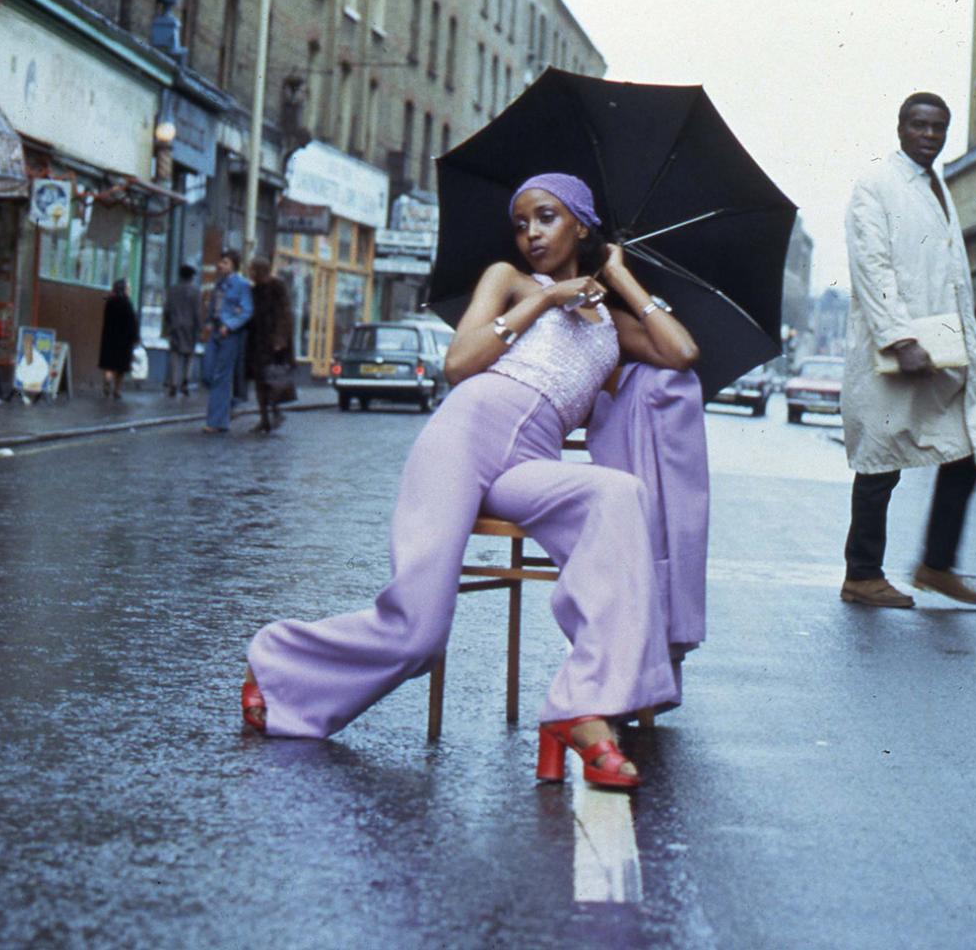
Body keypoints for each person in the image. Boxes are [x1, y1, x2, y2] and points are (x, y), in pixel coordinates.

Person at [241, 173, 699, 789]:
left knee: (619, 494)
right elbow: (459, 365)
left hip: (531, 459)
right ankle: (278, 667)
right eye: (522, 223)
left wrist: (618, 276)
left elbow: (681, 353)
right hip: (465, 434)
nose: (530, 233)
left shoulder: (611, 326)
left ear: (581, 226)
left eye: (546, 218)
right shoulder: (508, 281)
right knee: (420, 631)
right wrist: (544, 299)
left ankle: (584, 708)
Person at [839, 92, 976, 609]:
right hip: (900, 347)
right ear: (901, 127)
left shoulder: (937, 186)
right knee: (880, 460)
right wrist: (900, 339)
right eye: (920, 125)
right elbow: (873, 266)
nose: (930, 135)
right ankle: (862, 574)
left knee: (969, 447)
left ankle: (936, 564)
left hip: (943, 344)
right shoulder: (877, 185)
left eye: (939, 127)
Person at [200, 250, 253, 433]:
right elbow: (213, 306)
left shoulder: (242, 285)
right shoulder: (219, 284)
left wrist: (229, 325)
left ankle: (216, 423)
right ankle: (230, 404)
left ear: (233, 265)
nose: (220, 265)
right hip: (215, 331)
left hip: (230, 335)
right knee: (207, 374)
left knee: (222, 377)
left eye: (224, 262)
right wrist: (207, 323)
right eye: (220, 262)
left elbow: (246, 311)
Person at [245, 257, 295, 434]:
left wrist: (280, 339)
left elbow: (285, 313)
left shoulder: (277, 287)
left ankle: (275, 412)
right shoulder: (253, 290)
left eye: (253, 270)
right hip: (257, 340)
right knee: (260, 380)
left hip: (274, 343)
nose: (250, 274)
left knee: (272, 380)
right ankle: (264, 418)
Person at [162, 264, 202, 397]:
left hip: (175, 327)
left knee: (175, 355)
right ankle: (185, 381)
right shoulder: (196, 292)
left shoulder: (172, 290)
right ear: (191, 277)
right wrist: (200, 328)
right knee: (189, 356)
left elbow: (166, 310)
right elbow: (197, 312)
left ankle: (173, 383)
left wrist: (168, 325)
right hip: (190, 328)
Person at [97, 278, 139, 400]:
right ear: (124, 289)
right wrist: (135, 337)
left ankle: (107, 380)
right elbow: (132, 322)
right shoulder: (127, 303)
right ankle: (117, 390)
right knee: (120, 368)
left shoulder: (109, 301)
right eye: (128, 287)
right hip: (124, 340)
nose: (130, 289)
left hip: (109, 337)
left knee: (109, 364)